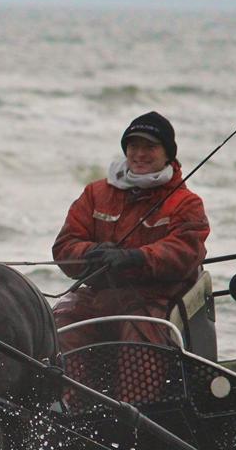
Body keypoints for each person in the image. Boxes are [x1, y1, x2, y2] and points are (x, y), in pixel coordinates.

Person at [51, 111, 210, 357]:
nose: (140, 154)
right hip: (97, 296)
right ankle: (63, 395)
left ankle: (135, 396)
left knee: (141, 333)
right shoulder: (95, 193)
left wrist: (136, 257)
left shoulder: (187, 203)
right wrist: (90, 252)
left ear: (168, 153)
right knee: (61, 323)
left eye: (150, 146)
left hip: (154, 300)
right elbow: (64, 246)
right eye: (134, 145)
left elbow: (186, 252)